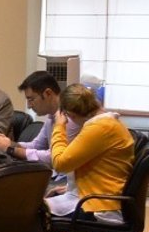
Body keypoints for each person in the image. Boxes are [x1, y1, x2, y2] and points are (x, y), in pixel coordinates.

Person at [48, 83, 135, 223]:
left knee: (34, 211)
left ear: (70, 114)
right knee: (42, 205)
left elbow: (60, 163)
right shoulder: (109, 123)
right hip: (101, 198)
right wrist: (73, 188)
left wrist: (59, 127)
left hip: (101, 206)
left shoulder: (100, 128)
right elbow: (100, 169)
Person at [0, 71, 72, 162]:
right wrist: (9, 143)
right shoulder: (51, 117)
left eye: (31, 99)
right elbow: (36, 145)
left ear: (48, 93)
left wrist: (11, 149)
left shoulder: (71, 117)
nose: (29, 106)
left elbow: (53, 157)